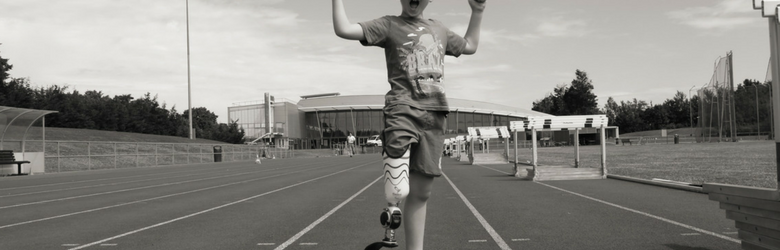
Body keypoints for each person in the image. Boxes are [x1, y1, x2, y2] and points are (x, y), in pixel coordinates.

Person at [331, 0, 486, 249]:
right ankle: (390, 225)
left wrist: (477, 11)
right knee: (398, 188)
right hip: (402, 108)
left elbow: (470, 46)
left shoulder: (440, 30)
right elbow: (344, 29)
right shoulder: (389, 24)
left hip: (435, 114)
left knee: (422, 193)